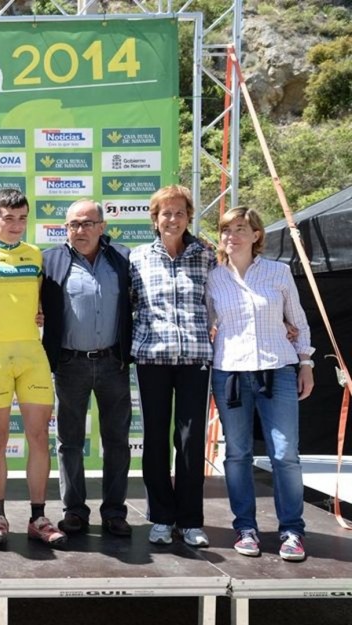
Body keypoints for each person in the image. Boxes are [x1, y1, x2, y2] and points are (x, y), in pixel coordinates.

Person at [207, 206, 314, 562]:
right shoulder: (213, 276)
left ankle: (292, 531)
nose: (231, 236)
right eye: (226, 229)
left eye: (240, 228)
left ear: (256, 236)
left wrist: (306, 363)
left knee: (285, 455)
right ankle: (246, 528)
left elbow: (298, 320)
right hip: (230, 373)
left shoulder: (278, 272)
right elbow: (206, 323)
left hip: (277, 370)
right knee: (237, 455)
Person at [0, 189, 60, 546]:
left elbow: (44, 301)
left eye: (22, 218)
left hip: (33, 354)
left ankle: (38, 517)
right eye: (9, 218)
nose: (17, 225)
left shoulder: (35, 255)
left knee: (38, 438)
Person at [40, 199, 133, 539]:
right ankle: (74, 511)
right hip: (70, 364)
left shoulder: (123, 259)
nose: (80, 230)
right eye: (73, 224)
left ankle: (114, 512)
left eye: (87, 223)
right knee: (69, 443)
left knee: (117, 442)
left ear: (102, 226)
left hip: (113, 363)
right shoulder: (49, 260)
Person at [130, 185, 216, 548]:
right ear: (154, 218)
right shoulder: (136, 259)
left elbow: (228, 298)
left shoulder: (207, 256)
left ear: (188, 217)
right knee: (155, 440)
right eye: (165, 212)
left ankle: (191, 520)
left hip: (195, 358)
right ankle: (162, 518)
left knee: (191, 441)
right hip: (153, 359)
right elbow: (124, 305)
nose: (173, 219)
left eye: (180, 212)